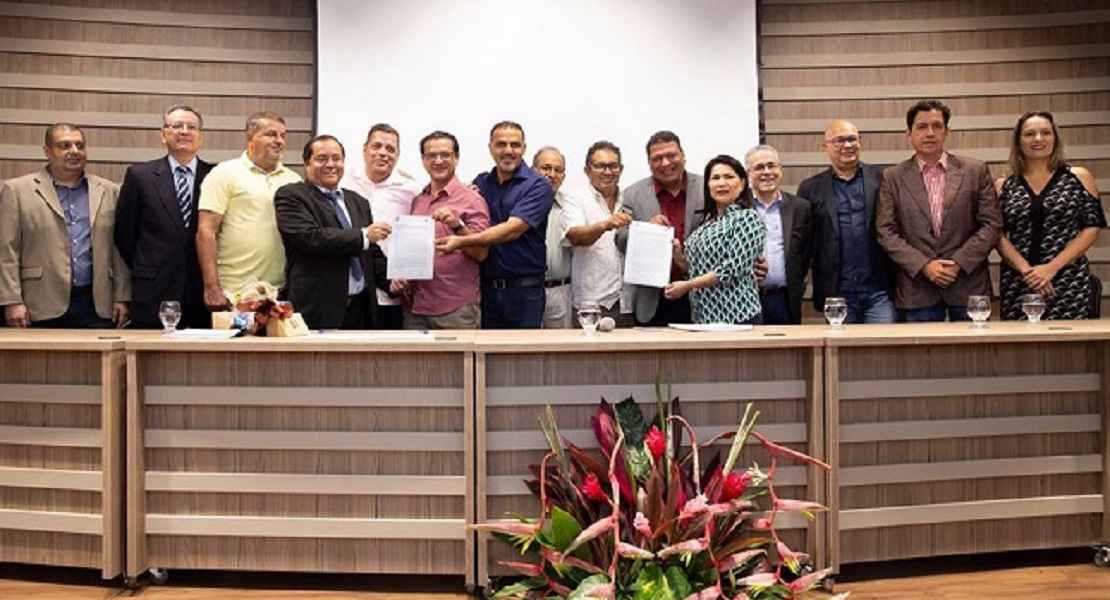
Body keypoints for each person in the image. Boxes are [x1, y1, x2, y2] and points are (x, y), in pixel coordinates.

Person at [876, 99, 1002, 322]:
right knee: (920, 347)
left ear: (946, 132)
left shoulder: (975, 171)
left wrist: (958, 263)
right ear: (909, 134)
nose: (930, 133)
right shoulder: (892, 177)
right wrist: (924, 265)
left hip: (967, 285)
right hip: (917, 288)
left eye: (937, 126)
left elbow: (991, 224)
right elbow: (885, 231)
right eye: (922, 127)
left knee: (974, 346)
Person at [0, 123, 130, 328]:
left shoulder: (109, 190)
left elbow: (118, 249)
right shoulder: (17, 190)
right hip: (39, 302)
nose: (74, 151)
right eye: (65, 146)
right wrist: (12, 300)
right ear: (47, 151)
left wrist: (122, 296)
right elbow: (6, 250)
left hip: (96, 303)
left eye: (80, 145)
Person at [436, 121, 553, 328]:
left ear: (524, 148)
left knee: (523, 349)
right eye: (501, 144)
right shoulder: (481, 183)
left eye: (515, 145)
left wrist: (461, 241)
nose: (508, 150)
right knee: (485, 349)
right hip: (486, 290)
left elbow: (512, 230)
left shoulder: (538, 185)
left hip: (525, 293)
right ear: (490, 148)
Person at [996, 111, 1104, 320]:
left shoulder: (1079, 177)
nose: (1038, 139)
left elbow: (1092, 227)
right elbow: (996, 234)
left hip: (1067, 279)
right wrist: (1029, 272)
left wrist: (1051, 268)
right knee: (1018, 340)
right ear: (1018, 141)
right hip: (1020, 280)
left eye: (1045, 132)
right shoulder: (1004, 185)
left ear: (1055, 138)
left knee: (1067, 340)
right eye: (1029, 134)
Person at [274, 136, 390, 330]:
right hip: (318, 309)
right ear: (307, 163)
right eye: (322, 159)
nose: (330, 165)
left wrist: (392, 281)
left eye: (336, 159)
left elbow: (370, 251)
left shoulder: (358, 202)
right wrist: (363, 235)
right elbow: (310, 237)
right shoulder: (291, 195)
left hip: (361, 310)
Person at [114, 105, 214, 329]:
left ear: (201, 137)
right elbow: (124, 235)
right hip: (154, 289)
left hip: (203, 290)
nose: (184, 131)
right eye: (177, 126)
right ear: (163, 135)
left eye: (192, 127)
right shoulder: (140, 176)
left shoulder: (216, 176)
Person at [196, 111, 301, 310]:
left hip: (280, 292)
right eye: (271, 134)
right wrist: (212, 287)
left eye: (283, 135)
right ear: (250, 137)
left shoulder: (294, 180)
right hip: (234, 293)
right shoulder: (223, 173)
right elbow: (206, 231)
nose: (279, 141)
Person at [797, 120, 895, 323]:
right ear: (825, 147)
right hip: (837, 294)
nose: (848, 145)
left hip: (879, 290)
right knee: (841, 344)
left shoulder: (883, 179)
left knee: (883, 342)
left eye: (852, 139)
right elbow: (804, 242)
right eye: (839, 140)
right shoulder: (810, 188)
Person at [394, 131, 490, 329]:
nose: (438, 161)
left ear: (456, 158)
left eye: (445, 155)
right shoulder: (418, 201)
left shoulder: (472, 200)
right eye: (431, 155)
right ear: (423, 160)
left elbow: (481, 253)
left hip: (455, 309)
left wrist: (457, 225)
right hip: (416, 307)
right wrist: (401, 276)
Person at [615, 131, 704, 325]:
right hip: (652, 298)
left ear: (683, 156)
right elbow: (620, 240)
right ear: (649, 163)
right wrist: (645, 230)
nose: (665, 163)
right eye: (657, 158)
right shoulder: (633, 194)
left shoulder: (706, 188)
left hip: (699, 293)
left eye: (671, 155)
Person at [665, 155, 765, 325]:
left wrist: (687, 286)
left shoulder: (748, 218)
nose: (721, 183)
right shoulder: (707, 223)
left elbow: (731, 269)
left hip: (738, 316)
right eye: (715, 178)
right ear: (708, 185)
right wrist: (678, 256)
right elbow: (697, 269)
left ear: (742, 184)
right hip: (703, 318)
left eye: (729, 177)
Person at [340, 123, 422, 329]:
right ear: (365, 149)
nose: (383, 153)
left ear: (398, 155)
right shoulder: (344, 183)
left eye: (390, 149)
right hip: (351, 290)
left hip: (393, 289)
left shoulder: (411, 189)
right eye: (377, 146)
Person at [564, 141, 634, 327]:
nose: (607, 172)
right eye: (600, 166)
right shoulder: (575, 199)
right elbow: (575, 236)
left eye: (613, 166)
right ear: (587, 171)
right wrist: (606, 224)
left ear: (621, 169)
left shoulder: (630, 199)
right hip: (590, 306)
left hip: (627, 303)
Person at [745, 145, 812, 324]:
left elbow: (805, 255)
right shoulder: (739, 207)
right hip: (747, 298)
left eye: (771, 166)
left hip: (785, 299)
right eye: (759, 167)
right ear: (748, 173)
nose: (767, 172)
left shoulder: (800, 208)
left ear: (780, 169)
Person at [533, 147, 574, 328]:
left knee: (562, 345)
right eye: (546, 168)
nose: (552, 174)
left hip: (561, 292)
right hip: (527, 290)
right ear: (533, 170)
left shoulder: (571, 206)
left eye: (558, 170)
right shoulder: (519, 202)